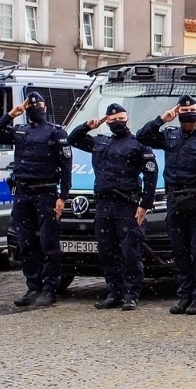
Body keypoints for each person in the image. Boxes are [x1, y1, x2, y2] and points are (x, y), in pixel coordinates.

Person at [137, 96, 196, 316]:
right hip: (174, 202)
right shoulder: (170, 135)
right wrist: (162, 119)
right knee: (180, 251)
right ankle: (184, 294)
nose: (187, 120)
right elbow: (142, 136)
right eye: (183, 115)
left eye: (190, 115)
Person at [0, 91, 73, 307]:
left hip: (46, 193)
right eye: (31, 105)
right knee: (26, 243)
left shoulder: (55, 133)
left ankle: (50, 288)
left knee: (47, 243)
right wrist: (11, 115)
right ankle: (33, 286)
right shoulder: (20, 131)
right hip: (23, 193)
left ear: (45, 108)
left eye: (39, 105)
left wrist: (63, 197)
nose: (35, 108)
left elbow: (66, 167)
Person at [68, 104, 158, 312]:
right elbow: (72, 139)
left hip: (127, 205)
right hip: (103, 205)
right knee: (107, 252)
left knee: (130, 253)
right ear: (107, 121)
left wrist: (145, 205)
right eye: (112, 119)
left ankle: (131, 294)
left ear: (127, 120)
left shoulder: (138, 144)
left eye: (120, 118)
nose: (116, 122)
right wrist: (87, 126)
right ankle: (114, 292)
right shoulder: (100, 142)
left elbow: (151, 175)